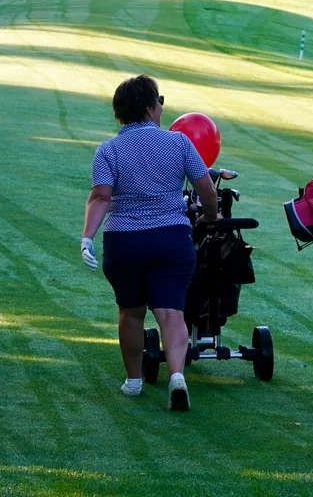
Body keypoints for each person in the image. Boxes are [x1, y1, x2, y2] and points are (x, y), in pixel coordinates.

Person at [80, 75, 220, 411]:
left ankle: (133, 380)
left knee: (131, 312)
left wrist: (87, 237)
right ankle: (176, 376)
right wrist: (210, 218)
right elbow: (207, 190)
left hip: (124, 241)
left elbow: (101, 197)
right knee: (172, 312)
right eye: (159, 100)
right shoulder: (179, 143)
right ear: (148, 107)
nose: (162, 106)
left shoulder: (108, 150)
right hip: (170, 238)